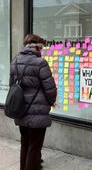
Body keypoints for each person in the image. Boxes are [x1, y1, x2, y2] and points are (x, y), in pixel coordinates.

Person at [9, 34, 57, 170]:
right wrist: (51, 101)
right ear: (36, 47)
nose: (41, 51)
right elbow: (50, 88)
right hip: (38, 111)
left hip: (21, 109)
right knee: (34, 147)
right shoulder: (40, 63)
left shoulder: (15, 61)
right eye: (41, 48)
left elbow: (12, 86)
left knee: (25, 143)